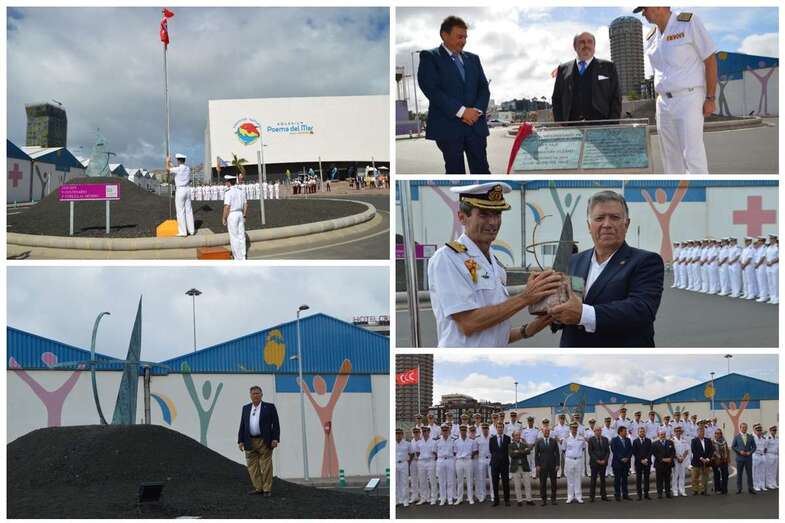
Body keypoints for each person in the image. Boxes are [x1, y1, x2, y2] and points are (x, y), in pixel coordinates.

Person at [428, 182, 563, 347]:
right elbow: (469, 323)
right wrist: (526, 297)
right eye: (484, 215)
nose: (493, 222)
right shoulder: (448, 258)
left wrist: (529, 329)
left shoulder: (495, 264)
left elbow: (493, 333)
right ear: (462, 217)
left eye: (497, 214)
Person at [549, 190, 664, 347]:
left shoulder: (646, 261)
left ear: (626, 224)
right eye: (599, 218)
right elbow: (564, 305)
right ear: (589, 226)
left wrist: (583, 314)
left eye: (615, 217)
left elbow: (641, 310)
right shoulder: (574, 261)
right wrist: (551, 310)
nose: (607, 224)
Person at [634, 7, 717, 174]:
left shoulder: (688, 22)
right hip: (663, 102)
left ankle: (700, 189)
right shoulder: (651, 36)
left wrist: (710, 98)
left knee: (692, 155)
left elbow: (710, 60)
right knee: (670, 157)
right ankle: (675, 190)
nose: (643, 13)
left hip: (688, 97)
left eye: (645, 8)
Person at [417, 15, 491, 174]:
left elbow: (484, 89)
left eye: (465, 37)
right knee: (455, 173)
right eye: (459, 36)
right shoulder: (430, 57)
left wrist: (476, 111)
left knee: (482, 171)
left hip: (475, 126)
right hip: (448, 127)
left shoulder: (474, 59)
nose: (463, 41)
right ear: (445, 35)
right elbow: (431, 89)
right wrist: (462, 111)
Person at [552, 32, 621, 123]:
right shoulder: (563, 69)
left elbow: (616, 97)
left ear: (594, 46)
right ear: (575, 46)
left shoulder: (609, 67)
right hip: (571, 126)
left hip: (601, 125)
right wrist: (560, 123)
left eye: (590, 42)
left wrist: (612, 123)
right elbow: (556, 99)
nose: (586, 45)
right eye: (582, 42)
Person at [237, 385, 280, 496]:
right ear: (250, 395)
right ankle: (258, 488)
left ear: (261, 394)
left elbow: (275, 424)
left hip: (264, 440)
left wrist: (275, 439)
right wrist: (240, 440)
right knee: (252, 467)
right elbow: (243, 425)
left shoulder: (269, 407)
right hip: (249, 440)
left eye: (257, 393)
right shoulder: (246, 408)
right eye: (253, 393)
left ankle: (267, 489)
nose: (255, 395)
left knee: (266, 466)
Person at [166, 153, 195, 236]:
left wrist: (167, 162)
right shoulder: (187, 168)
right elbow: (176, 168)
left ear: (178, 161)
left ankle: (183, 231)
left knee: (180, 211)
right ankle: (191, 230)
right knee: (189, 210)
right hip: (187, 189)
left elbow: (168, 169)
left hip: (180, 190)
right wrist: (171, 163)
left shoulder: (178, 169)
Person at [221, 175, 248, 260]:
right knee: (241, 236)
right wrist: (244, 215)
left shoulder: (228, 192)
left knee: (234, 237)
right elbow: (245, 204)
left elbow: (227, 206)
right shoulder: (240, 191)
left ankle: (238, 258)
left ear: (229, 182)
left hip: (232, 214)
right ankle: (243, 256)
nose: (226, 183)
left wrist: (224, 218)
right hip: (240, 213)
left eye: (226, 182)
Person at [535, 424, 560, 506]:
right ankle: (544, 500)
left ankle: (553, 499)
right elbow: (536, 455)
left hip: (553, 465)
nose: (547, 432)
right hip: (542, 466)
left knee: (554, 483)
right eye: (545, 431)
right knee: (542, 483)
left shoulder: (553, 441)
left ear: (549, 432)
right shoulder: (539, 441)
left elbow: (557, 454)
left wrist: (557, 464)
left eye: (548, 431)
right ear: (542, 431)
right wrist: (537, 465)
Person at [509, 430, 534, 506]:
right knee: (517, 485)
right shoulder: (510, 445)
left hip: (524, 466)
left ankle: (529, 500)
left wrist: (517, 451)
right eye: (516, 435)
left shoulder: (524, 444)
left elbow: (528, 452)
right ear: (513, 437)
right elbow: (512, 455)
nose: (518, 437)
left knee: (527, 484)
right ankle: (519, 501)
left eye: (519, 435)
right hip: (515, 467)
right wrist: (523, 451)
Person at [489, 421, 511, 506]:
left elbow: (508, 450)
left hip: (504, 464)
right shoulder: (492, 439)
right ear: (496, 428)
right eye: (498, 427)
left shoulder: (507, 438)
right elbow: (491, 451)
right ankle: (496, 500)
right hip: (495, 464)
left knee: (505, 482)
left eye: (501, 427)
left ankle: (507, 500)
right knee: (495, 483)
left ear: (503, 428)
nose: (500, 429)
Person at [454, 425, 477, 504]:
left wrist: (470, 456)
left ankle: (470, 498)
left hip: (468, 461)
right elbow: (455, 452)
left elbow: (474, 451)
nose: (463, 432)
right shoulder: (456, 441)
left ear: (466, 431)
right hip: (459, 461)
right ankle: (459, 498)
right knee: (459, 481)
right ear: (460, 431)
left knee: (469, 480)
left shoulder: (471, 441)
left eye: (464, 430)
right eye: (462, 430)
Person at [564, 421, 586, 503]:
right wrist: (571, 455)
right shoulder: (566, 438)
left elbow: (583, 448)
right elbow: (564, 449)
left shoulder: (581, 438)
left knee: (578, 479)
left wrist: (576, 454)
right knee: (570, 479)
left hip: (578, 460)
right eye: (573, 428)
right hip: (569, 460)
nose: (574, 429)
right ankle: (570, 496)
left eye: (576, 428)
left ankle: (578, 496)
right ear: (570, 428)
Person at [732, 422, 756, 494]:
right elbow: (733, 446)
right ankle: (739, 488)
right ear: (740, 428)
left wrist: (750, 452)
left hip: (748, 458)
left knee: (749, 474)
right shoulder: (737, 437)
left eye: (745, 427)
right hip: (740, 458)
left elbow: (754, 447)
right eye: (743, 427)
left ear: (747, 428)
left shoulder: (750, 437)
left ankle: (750, 488)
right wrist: (739, 451)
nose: (744, 429)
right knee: (739, 474)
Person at [588, 425, 610, 502]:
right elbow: (590, 452)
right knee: (593, 480)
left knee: (603, 480)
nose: (598, 432)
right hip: (594, 463)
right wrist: (597, 460)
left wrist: (605, 460)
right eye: (597, 430)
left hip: (603, 463)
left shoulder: (605, 439)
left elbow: (607, 451)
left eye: (600, 430)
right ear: (594, 432)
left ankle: (603, 495)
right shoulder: (591, 440)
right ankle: (592, 496)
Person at [436, 425, 457, 505]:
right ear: (441, 432)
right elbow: (435, 451)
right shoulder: (437, 441)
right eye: (443, 431)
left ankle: (450, 498)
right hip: (441, 460)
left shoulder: (453, 441)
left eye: (446, 431)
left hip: (450, 460)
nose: (445, 432)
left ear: (448, 431)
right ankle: (443, 498)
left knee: (450, 481)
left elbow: (455, 451)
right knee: (442, 481)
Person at [416, 426, 438, 505]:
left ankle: (433, 498)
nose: (425, 433)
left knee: (432, 480)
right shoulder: (419, 442)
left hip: (430, 461)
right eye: (423, 431)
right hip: (422, 462)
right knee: (422, 481)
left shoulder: (433, 442)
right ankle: (424, 497)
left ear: (429, 432)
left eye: (426, 431)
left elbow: (435, 453)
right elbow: (418, 453)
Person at [611, 426, 633, 501]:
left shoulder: (628, 440)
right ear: (620, 432)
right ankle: (617, 495)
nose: (626, 432)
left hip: (626, 463)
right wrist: (621, 458)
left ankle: (625, 494)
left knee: (625, 480)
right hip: (617, 463)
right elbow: (614, 450)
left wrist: (627, 458)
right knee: (617, 480)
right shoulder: (614, 440)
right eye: (625, 431)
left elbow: (630, 450)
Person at [690, 425, 714, 495]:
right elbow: (694, 451)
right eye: (700, 432)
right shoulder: (694, 440)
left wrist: (707, 459)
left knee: (705, 477)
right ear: (697, 432)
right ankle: (695, 490)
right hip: (697, 461)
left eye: (703, 432)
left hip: (706, 462)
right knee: (695, 477)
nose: (702, 433)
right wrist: (701, 458)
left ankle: (703, 490)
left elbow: (711, 450)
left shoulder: (708, 440)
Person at [652, 428, 675, 498]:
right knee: (659, 480)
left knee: (667, 479)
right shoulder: (654, 444)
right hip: (659, 464)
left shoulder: (670, 442)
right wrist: (662, 459)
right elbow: (655, 453)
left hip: (668, 464)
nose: (662, 436)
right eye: (661, 434)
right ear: (658, 435)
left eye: (664, 434)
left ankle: (668, 493)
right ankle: (660, 493)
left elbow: (673, 452)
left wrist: (670, 458)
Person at [475, 423, 494, 503]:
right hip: (481, 459)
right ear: (481, 429)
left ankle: (493, 495)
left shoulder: (492, 438)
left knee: (492, 478)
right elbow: (476, 450)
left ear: (488, 429)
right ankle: (482, 495)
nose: (485, 430)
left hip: (490, 459)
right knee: (481, 479)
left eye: (486, 428)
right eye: (484, 428)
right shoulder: (478, 439)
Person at [632, 426, 653, 500]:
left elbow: (650, 451)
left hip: (647, 462)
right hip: (638, 463)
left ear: (645, 432)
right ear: (638, 433)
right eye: (640, 431)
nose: (642, 433)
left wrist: (646, 459)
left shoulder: (649, 441)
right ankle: (639, 495)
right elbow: (634, 452)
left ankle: (646, 494)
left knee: (647, 479)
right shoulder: (635, 441)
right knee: (639, 479)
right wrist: (641, 460)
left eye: (643, 431)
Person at [395, 428, 412, 507]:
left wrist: (408, 462)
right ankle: (397, 500)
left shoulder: (407, 444)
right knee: (396, 483)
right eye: (396, 433)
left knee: (404, 482)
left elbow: (411, 453)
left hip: (404, 463)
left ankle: (405, 500)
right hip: (395, 464)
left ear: (402, 435)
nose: (398, 435)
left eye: (399, 433)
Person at [672, 425, 690, 496]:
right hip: (675, 460)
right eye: (676, 431)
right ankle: (675, 491)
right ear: (674, 432)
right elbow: (672, 451)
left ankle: (682, 490)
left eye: (679, 431)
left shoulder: (684, 440)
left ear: (681, 432)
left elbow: (687, 450)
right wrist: (677, 458)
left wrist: (682, 458)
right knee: (675, 476)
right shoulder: (672, 440)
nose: (678, 432)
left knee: (682, 475)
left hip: (683, 460)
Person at [712, 427, 730, 495]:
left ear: (721, 434)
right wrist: (716, 457)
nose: (717, 434)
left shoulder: (724, 442)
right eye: (716, 433)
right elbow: (711, 451)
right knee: (717, 475)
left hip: (724, 460)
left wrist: (728, 458)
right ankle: (717, 489)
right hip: (716, 461)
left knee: (725, 475)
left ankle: (724, 488)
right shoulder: (712, 441)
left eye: (719, 433)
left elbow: (727, 450)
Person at [752, 424, 768, 491]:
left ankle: (762, 485)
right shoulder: (753, 438)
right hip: (756, 455)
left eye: (760, 430)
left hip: (762, 456)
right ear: (755, 431)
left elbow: (765, 448)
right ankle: (756, 485)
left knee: (762, 471)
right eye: (758, 430)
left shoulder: (764, 438)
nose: (759, 432)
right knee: (756, 472)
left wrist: (764, 454)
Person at [766, 234, 779, 304]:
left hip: (775, 266)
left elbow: (779, 257)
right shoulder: (768, 247)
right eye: (770, 238)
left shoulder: (777, 247)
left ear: (775, 239)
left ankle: (777, 298)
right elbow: (766, 256)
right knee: (770, 282)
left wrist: (771, 262)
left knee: (775, 283)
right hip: (768, 266)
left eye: (772, 238)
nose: (770, 240)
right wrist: (767, 262)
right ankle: (772, 297)